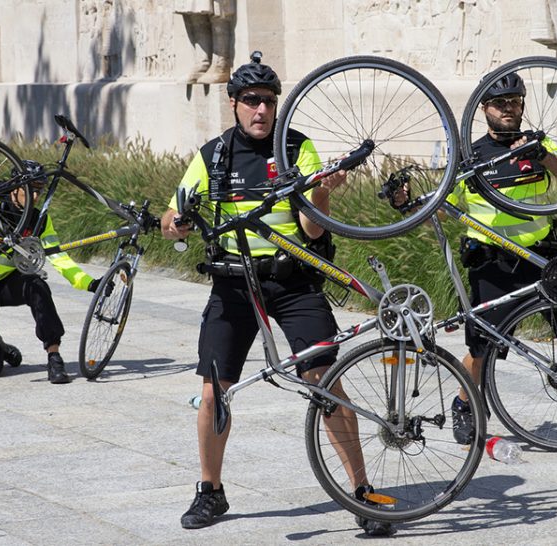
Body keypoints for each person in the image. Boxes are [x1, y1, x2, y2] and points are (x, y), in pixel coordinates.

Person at [161, 52, 392, 536]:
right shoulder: (212, 156)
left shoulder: (297, 150)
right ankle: (210, 491)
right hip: (233, 285)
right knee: (212, 391)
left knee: (326, 379)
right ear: (234, 104)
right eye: (251, 101)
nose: (261, 110)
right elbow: (168, 224)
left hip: (292, 282)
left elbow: (311, 230)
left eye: (268, 101)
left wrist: (323, 192)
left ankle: (361, 492)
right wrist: (178, 221)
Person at [425, 73, 557, 451]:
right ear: (484, 109)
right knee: (482, 346)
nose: (508, 109)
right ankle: (465, 403)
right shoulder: (470, 154)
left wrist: (543, 155)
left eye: (515, 102)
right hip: (491, 258)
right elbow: (441, 200)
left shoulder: (537, 142)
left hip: (541, 253)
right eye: (500, 104)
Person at [0, 160, 104, 384]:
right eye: (29, 190)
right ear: (14, 188)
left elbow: (58, 257)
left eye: (38, 191)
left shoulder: (39, 220)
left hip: (8, 283)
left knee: (37, 285)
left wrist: (90, 284)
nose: (34, 197)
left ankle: (54, 357)